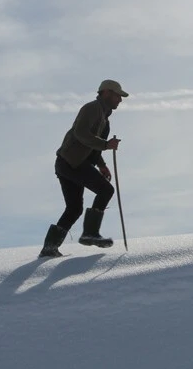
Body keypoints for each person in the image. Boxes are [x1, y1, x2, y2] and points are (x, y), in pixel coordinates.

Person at [39, 79, 128, 258]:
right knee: (105, 190)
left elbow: (93, 146)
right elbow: (81, 134)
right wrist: (106, 144)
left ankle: (49, 248)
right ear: (107, 93)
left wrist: (102, 164)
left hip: (68, 163)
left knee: (74, 208)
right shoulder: (92, 108)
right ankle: (90, 233)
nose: (120, 99)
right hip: (72, 163)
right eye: (118, 95)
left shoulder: (105, 120)